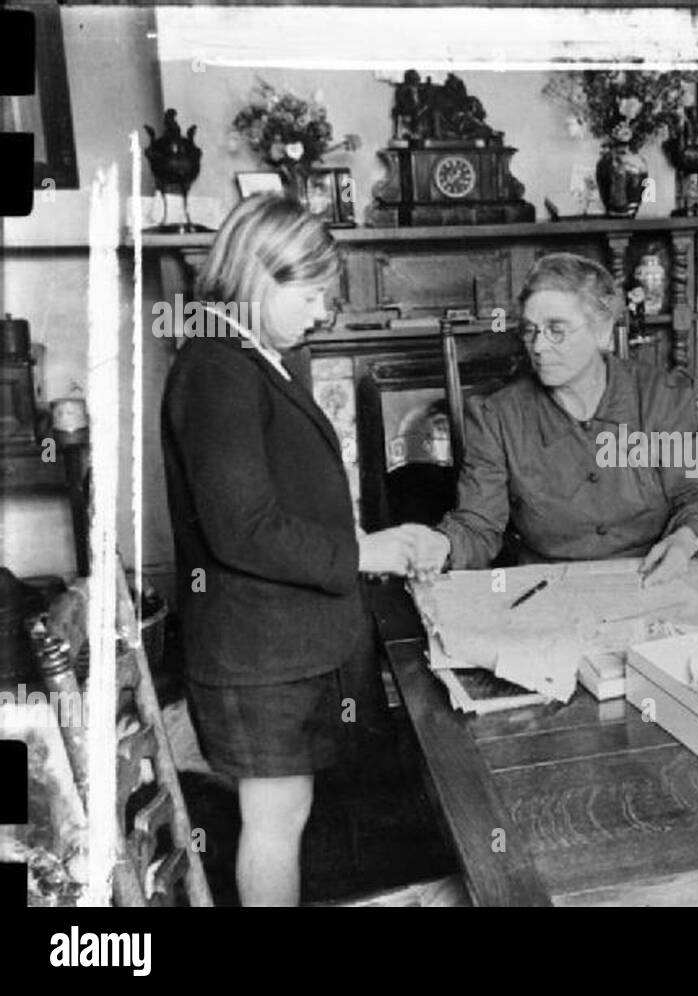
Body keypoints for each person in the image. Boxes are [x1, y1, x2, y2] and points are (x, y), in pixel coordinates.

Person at [161, 194, 437, 906]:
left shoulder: (255, 357)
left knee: (288, 816)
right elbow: (243, 528)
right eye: (311, 294)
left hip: (283, 645)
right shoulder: (216, 368)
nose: (321, 312)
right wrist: (364, 552)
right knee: (275, 823)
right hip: (256, 656)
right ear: (258, 275)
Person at [414, 253, 698, 582]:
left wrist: (683, 541)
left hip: (653, 576)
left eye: (556, 330)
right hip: (548, 589)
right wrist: (442, 545)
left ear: (602, 332)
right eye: (531, 331)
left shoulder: (662, 397)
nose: (539, 347)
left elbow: (696, 496)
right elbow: (478, 525)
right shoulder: (497, 417)